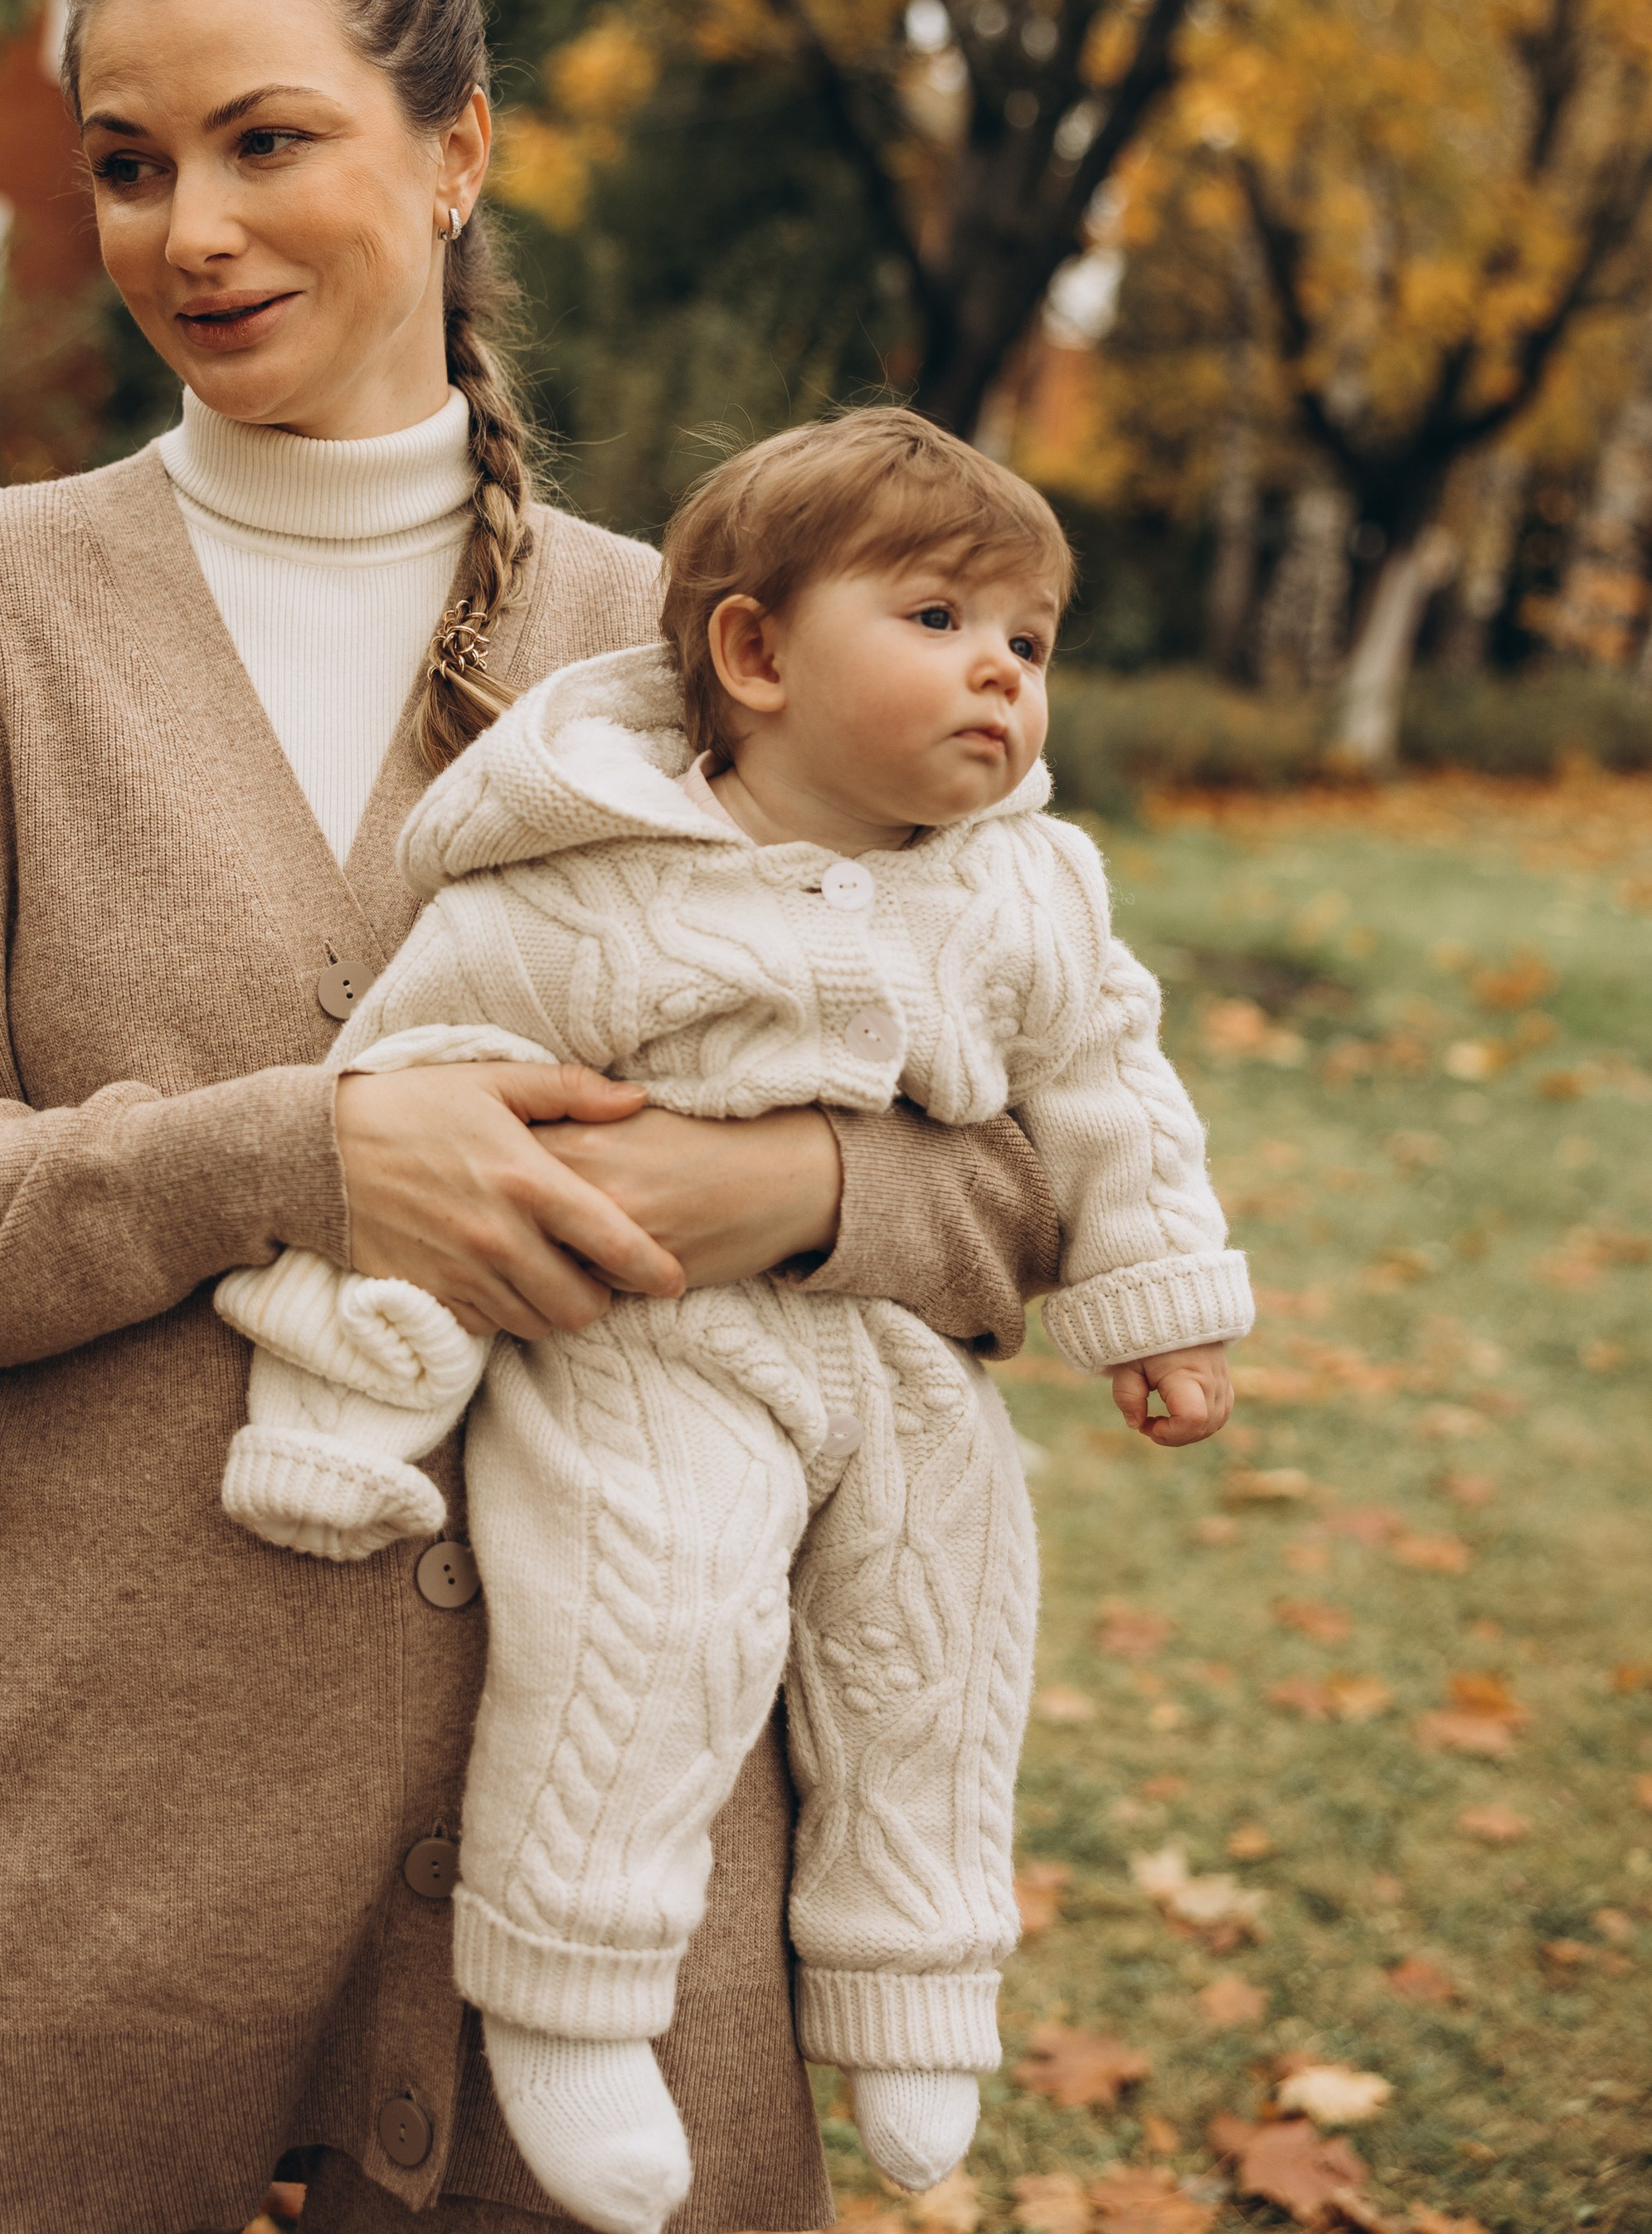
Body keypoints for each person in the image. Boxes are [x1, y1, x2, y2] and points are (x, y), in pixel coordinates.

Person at [0, 0, 1069, 2234]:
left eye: (264, 142)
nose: (187, 234)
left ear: (454, 151)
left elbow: (1031, 1178)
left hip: (599, 1926)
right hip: (67, 1891)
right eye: (126, 166)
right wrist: (298, 1158)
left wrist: (793, 1191)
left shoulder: (715, 657)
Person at [217, 414, 1252, 2234]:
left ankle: (916, 1979)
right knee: (653, 1614)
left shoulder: (1025, 888)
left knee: (940, 1632)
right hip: (640, 1351)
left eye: (1028, 641)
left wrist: (1153, 1302)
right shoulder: (592, 883)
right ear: (755, 656)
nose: (999, 673)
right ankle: (570, 1987)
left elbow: (1102, 1093)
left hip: (892, 1365)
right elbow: (408, 1089)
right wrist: (349, 1386)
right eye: (937, 618)